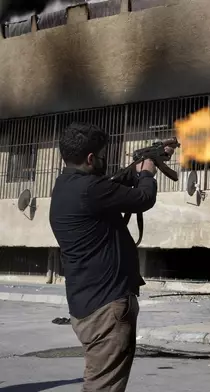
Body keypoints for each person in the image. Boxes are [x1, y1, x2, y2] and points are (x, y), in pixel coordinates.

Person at [49, 122, 174, 392]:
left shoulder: (66, 185)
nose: (107, 160)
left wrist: (145, 161)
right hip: (106, 310)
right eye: (104, 155)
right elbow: (142, 198)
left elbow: (111, 185)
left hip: (88, 304)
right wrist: (148, 173)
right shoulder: (91, 190)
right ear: (91, 158)